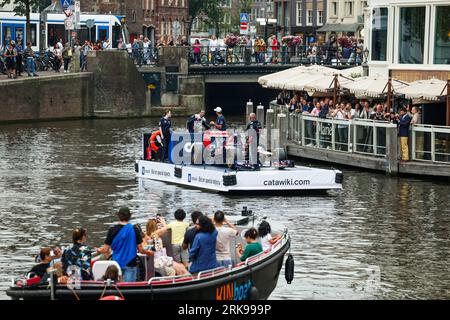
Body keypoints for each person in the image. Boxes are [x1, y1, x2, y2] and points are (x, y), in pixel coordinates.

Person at [96, 207, 153, 282]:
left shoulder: (112, 230)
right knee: (128, 288)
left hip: (116, 264)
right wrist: (149, 252)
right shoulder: (134, 229)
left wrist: (99, 250)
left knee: (116, 287)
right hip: (130, 263)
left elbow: (105, 249)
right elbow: (141, 250)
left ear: (119, 216)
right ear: (130, 216)